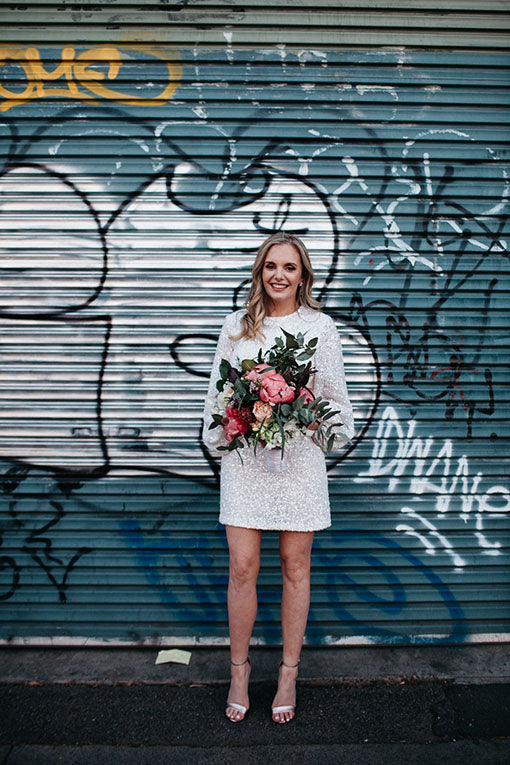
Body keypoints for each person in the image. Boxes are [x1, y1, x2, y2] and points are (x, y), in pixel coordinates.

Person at [202, 231, 354, 724]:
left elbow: (339, 410)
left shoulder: (321, 328)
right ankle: (240, 671)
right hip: (247, 464)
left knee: (295, 567)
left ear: (303, 275)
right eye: (271, 266)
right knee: (242, 568)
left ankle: (288, 672)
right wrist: (242, 417)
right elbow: (214, 408)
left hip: (300, 465)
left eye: (289, 267)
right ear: (260, 273)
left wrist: (302, 410)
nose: (279, 275)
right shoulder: (236, 327)